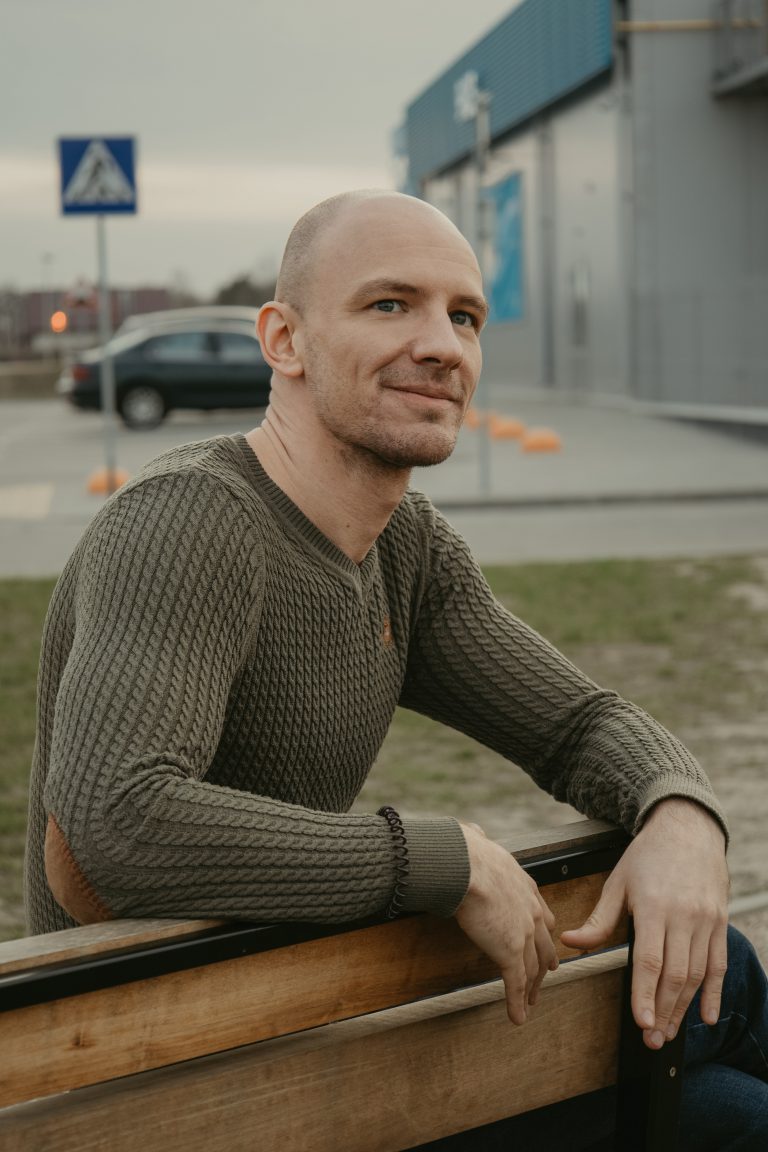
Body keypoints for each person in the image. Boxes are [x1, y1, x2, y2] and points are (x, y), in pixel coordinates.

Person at [25, 190, 767, 1147]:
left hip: (299, 1013)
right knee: (725, 1043)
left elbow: (578, 725)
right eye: (390, 305)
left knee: (723, 1046)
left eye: (465, 317)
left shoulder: (406, 547)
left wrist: (681, 812)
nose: (443, 346)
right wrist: (443, 860)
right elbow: (119, 822)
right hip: (168, 1078)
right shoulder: (188, 523)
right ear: (284, 340)